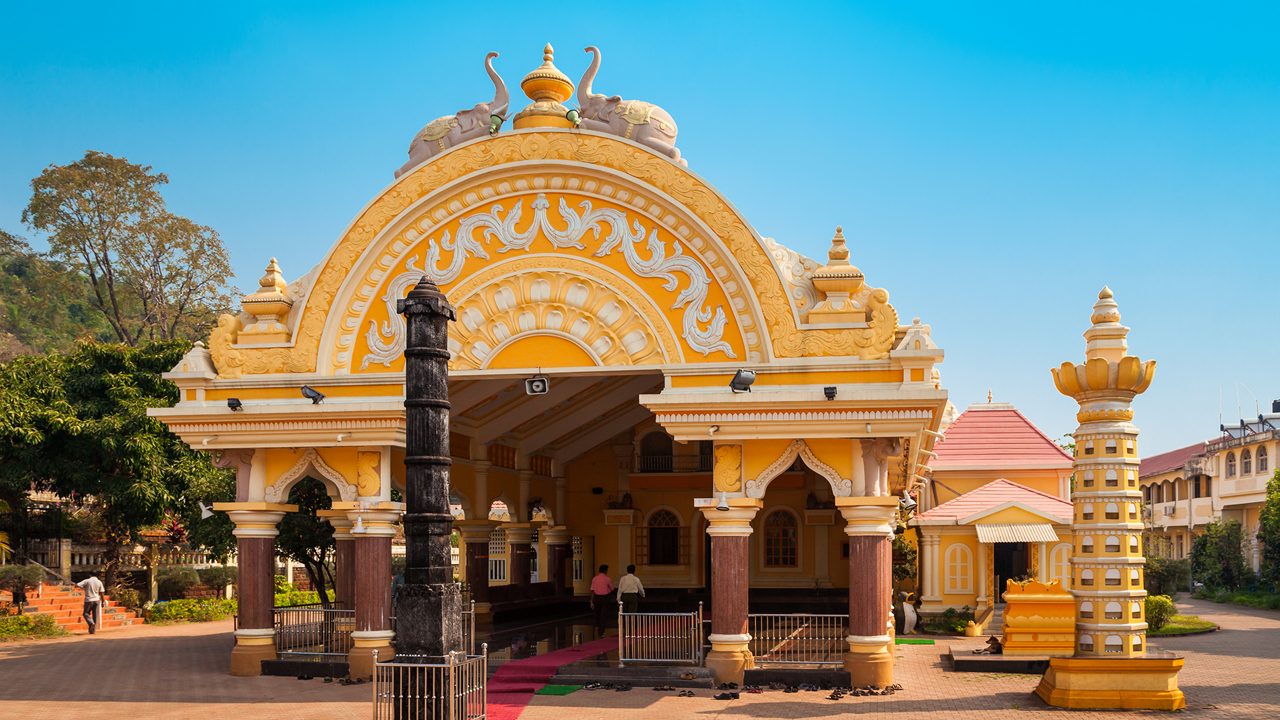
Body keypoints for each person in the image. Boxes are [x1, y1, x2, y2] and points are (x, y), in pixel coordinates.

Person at [589, 564, 614, 635]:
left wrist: (591, 601)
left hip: (596, 598)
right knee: (603, 614)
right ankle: (601, 630)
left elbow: (592, 591)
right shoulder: (607, 579)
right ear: (606, 570)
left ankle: (599, 627)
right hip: (605, 598)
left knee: (597, 614)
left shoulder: (594, 578)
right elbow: (612, 589)